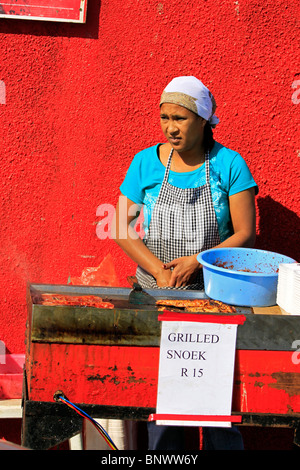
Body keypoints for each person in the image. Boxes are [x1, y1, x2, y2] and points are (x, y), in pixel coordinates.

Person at [112, 76, 258, 450]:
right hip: (155, 298)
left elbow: (245, 234)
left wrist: (197, 261)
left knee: (216, 408)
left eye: (180, 118)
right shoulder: (145, 162)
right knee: (164, 410)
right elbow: (120, 227)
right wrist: (160, 271)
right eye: (164, 118)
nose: (170, 128)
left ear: (204, 120)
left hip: (213, 297)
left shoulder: (229, 164)